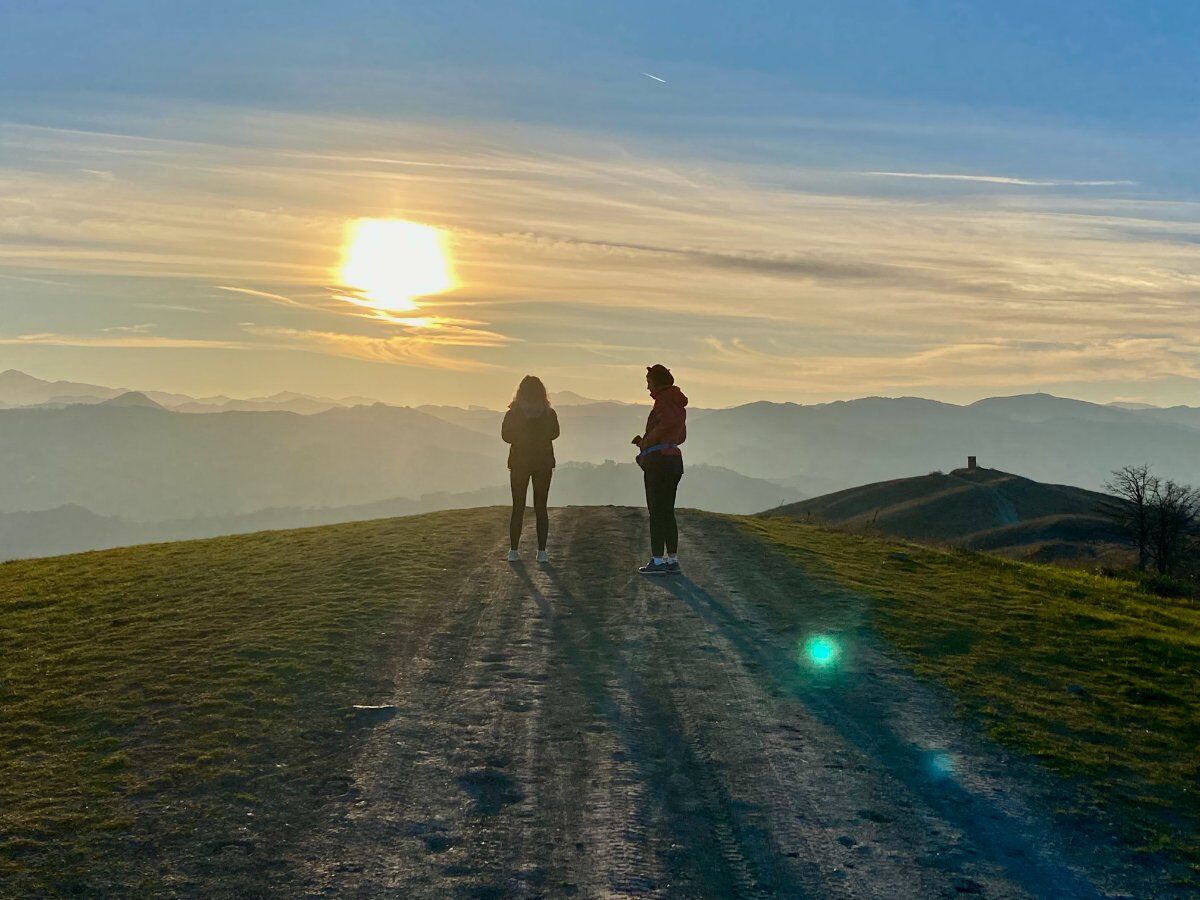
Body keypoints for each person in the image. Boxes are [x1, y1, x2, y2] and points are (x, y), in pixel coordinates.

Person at [632, 364, 687, 575]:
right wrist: (662, 438)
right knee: (667, 511)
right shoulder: (677, 402)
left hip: (658, 462)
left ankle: (656, 560)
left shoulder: (663, 401)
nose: (647, 388)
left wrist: (648, 441)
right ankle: (672, 559)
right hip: (674, 461)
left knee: (656, 512)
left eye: (649, 383)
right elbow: (680, 436)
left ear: (657, 382)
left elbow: (666, 423)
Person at [501, 375, 560, 563]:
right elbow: (555, 433)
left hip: (519, 462)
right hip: (543, 463)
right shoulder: (549, 413)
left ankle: (513, 551)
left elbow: (506, 436)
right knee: (540, 507)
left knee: (517, 507)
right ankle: (542, 552)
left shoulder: (514, 413)